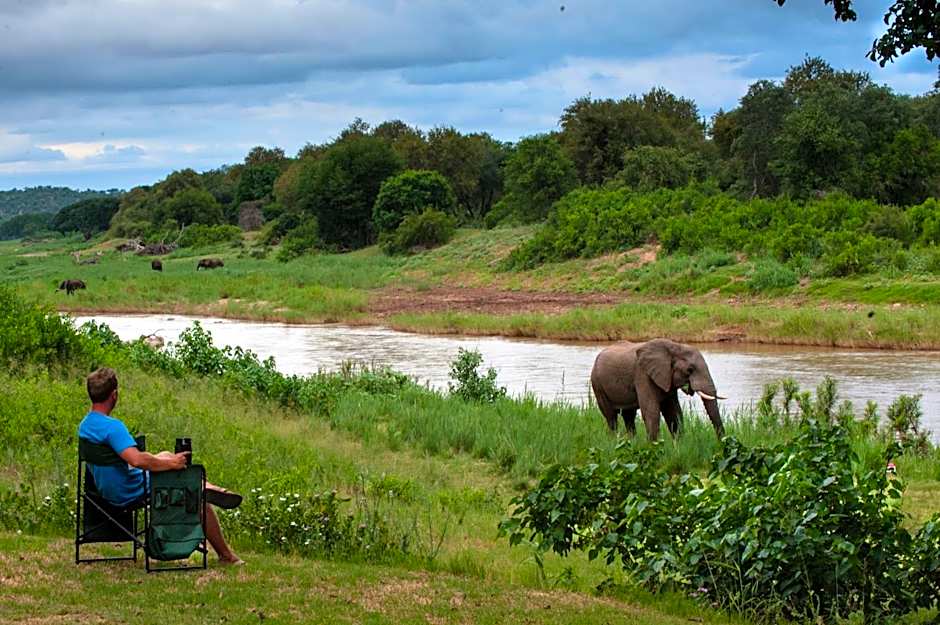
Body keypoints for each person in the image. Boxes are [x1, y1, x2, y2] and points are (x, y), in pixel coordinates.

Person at [78, 367, 243, 565]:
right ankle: (225, 554)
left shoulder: (86, 426)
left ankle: (208, 487)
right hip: (129, 491)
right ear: (114, 394)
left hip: (104, 490)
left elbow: (130, 459)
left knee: (165, 455)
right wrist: (171, 464)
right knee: (196, 495)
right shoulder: (113, 427)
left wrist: (166, 460)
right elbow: (137, 460)